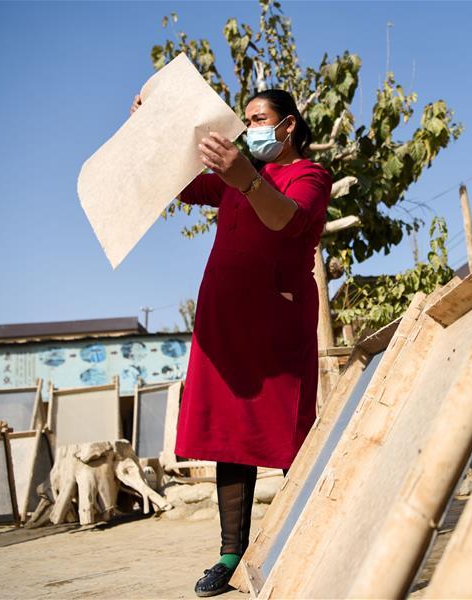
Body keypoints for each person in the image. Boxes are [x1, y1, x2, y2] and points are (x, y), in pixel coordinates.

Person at [130, 89, 333, 597]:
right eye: (246, 120)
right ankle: (229, 555)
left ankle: (311, 536)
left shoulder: (308, 175)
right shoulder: (232, 181)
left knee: (290, 430)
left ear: (287, 127)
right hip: (224, 322)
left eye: (259, 119)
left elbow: (285, 218)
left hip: (277, 320)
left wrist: (244, 175)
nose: (251, 127)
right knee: (230, 436)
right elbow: (177, 184)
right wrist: (150, 126)